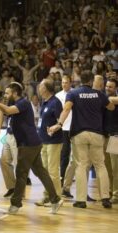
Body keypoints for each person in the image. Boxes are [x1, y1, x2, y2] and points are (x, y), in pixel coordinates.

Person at [48, 70, 115, 209]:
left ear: (80, 80)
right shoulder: (99, 94)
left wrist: (59, 124)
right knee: (100, 165)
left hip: (79, 134)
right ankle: (105, 199)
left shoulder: (73, 93)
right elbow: (111, 107)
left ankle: (80, 200)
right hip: (97, 134)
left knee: (81, 166)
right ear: (91, 81)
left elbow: (66, 110)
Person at [0, 82, 63, 214]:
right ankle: (55, 200)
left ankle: (15, 204)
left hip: (28, 144)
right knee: (41, 172)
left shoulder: (23, 103)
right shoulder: (16, 104)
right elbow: (6, 112)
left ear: (15, 93)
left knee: (21, 174)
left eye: (7, 93)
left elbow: (8, 111)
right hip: (32, 143)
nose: (5, 95)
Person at [35, 79, 63, 206]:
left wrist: (54, 128)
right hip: (44, 141)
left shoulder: (55, 103)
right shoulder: (45, 102)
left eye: (40, 86)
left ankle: (57, 197)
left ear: (45, 89)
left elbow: (60, 122)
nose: (39, 88)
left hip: (54, 141)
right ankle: (47, 196)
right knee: (45, 172)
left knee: (52, 171)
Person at [104, 78, 118, 204]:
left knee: (115, 168)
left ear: (115, 88)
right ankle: (108, 191)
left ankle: (116, 194)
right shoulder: (103, 99)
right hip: (104, 137)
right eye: (107, 86)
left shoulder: (114, 99)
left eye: (111, 87)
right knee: (106, 167)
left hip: (115, 137)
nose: (108, 88)